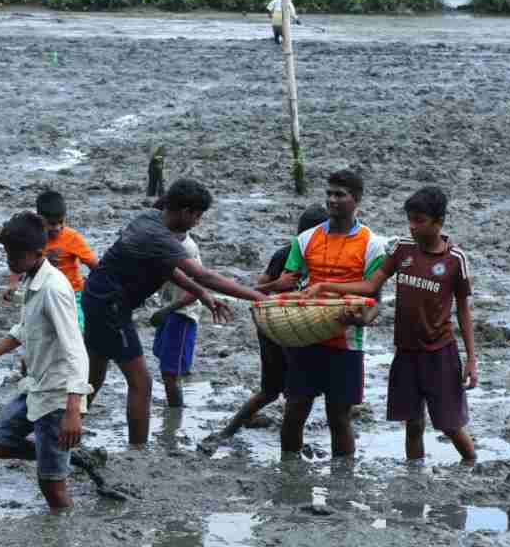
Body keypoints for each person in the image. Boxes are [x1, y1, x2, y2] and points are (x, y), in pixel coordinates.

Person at [83, 179, 268, 445]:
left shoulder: (149, 219)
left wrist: (202, 295)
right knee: (141, 383)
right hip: (110, 308)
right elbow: (206, 275)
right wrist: (259, 297)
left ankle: (65, 428)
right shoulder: (159, 236)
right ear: (186, 212)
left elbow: (167, 269)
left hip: (97, 298)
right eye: (198, 216)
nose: (198, 222)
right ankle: (138, 452)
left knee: (95, 373)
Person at [304, 186, 478, 464]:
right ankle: (414, 476)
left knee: (449, 424)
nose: (412, 227)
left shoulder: (455, 260)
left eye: (419, 221)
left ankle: (472, 466)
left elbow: (464, 312)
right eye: (409, 219)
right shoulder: (401, 250)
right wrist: (325, 285)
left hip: (439, 352)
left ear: (438, 222)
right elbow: (371, 284)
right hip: (406, 351)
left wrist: (471, 359)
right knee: (412, 422)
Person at [0, 212, 92, 510]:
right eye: (7, 253)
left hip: (58, 396)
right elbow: (24, 330)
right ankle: (64, 456)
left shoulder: (53, 289)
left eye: (15, 255)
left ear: (37, 253)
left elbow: (76, 350)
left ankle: (61, 543)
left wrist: (73, 410)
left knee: (52, 487)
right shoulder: (32, 280)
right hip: (36, 386)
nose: (9, 261)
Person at [280, 171, 389, 458]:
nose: (332, 199)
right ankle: (289, 479)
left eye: (340, 194)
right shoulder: (305, 240)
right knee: (294, 410)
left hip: (347, 343)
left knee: (338, 416)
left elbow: (374, 301)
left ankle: (342, 487)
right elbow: (288, 285)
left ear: (357, 200)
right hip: (305, 338)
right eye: (329, 193)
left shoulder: (372, 244)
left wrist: (363, 318)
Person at [213, 204, 329, 441]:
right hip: (277, 328)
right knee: (282, 392)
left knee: (284, 392)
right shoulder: (285, 255)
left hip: (297, 329)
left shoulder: (324, 257)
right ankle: (230, 433)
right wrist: (277, 285)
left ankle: (235, 432)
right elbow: (254, 290)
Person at [4, 190, 98, 330]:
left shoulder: (72, 238)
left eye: (61, 222)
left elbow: (95, 265)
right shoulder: (31, 237)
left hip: (72, 293)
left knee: (76, 328)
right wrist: (12, 284)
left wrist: (98, 289)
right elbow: (19, 262)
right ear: (40, 219)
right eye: (52, 223)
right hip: (40, 291)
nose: (58, 227)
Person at [149, 204, 202, 408]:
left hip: (182, 314)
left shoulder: (186, 249)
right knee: (165, 365)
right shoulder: (167, 243)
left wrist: (167, 310)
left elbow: (198, 286)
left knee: (171, 373)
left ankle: (174, 418)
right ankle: (173, 411)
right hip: (171, 309)